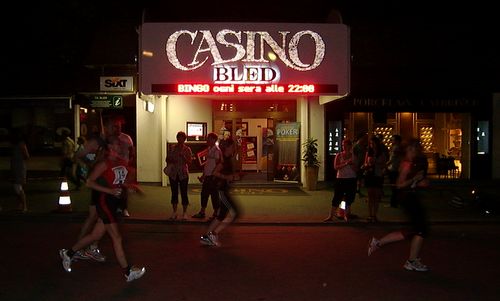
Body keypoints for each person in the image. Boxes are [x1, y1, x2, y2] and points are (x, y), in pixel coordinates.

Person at [59, 135, 146, 282]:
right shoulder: (103, 164)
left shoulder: (120, 162)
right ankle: (128, 271)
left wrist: (131, 187)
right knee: (117, 238)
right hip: (105, 203)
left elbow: (120, 182)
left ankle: (69, 253)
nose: (120, 146)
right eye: (117, 144)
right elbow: (89, 183)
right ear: (110, 148)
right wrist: (110, 191)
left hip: (113, 203)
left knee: (95, 235)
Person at [368, 138, 430, 272]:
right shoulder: (406, 164)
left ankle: (378, 243)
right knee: (420, 230)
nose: (413, 152)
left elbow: (414, 182)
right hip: (408, 198)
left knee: (411, 231)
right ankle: (411, 261)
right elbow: (399, 184)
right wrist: (414, 180)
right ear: (407, 150)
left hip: (411, 197)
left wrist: (420, 182)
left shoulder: (412, 163)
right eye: (411, 149)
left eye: (415, 149)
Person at [70, 134, 108, 262]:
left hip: (99, 184)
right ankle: (83, 248)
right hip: (98, 185)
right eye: (114, 126)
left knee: (95, 217)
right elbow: (78, 156)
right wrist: (91, 163)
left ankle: (81, 248)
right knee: (99, 218)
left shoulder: (102, 144)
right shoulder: (96, 143)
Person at [200, 137, 240, 246]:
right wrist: (227, 177)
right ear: (228, 147)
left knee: (221, 215)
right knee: (235, 213)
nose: (234, 148)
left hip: (224, 190)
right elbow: (215, 172)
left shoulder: (228, 158)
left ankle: (207, 236)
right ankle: (212, 234)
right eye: (233, 146)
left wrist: (232, 177)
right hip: (222, 191)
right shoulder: (224, 160)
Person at [103, 116, 136, 217]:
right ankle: (115, 207)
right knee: (112, 187)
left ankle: (124, 208)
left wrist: (130, 162)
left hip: (124, 166)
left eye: (119, 126)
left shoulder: (126, 138)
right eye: (115, 127)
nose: (118, 128)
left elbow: (132, 151)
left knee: (124, 188)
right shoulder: (109, 139)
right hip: (112, 167)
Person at [324, 139, 358, 222]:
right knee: (337, 197)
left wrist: (352, 164)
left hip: (351, 178)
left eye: (346, 145)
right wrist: (346, 163)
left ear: (350, 146)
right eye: (343, 145)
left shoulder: (354, 156)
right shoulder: (339, 155)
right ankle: (331, 215)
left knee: (349, 198)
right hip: (341, 178)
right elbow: (336, 167)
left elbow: (356, 169)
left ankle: (345, 214)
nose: (344, 147)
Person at [192, 132, 221, 220]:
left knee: (214, 195)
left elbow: (217, 164)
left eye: (209, 138)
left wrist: (215, 176)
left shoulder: (216, 150)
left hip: (213, 176)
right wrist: (203, 176)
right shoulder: (209, 149)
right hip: (208, 176)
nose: (207, 140)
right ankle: (202, 211)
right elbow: (207, 164)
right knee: (204, 194)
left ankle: (216, 213)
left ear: (213, 140)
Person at [165, 131, 193, 221]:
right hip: (173, 173)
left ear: (184, 139)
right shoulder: (172, 148)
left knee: (184, 193)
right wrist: (170, 159)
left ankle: (185, 213)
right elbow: (167, 159)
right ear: (177, 138)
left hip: (183, 173)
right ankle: (174, 212)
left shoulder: (187, 149)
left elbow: (190, 162)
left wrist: (183, 157)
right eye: (178, 137)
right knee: (174, 193)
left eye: (182, 138)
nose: (180, 139)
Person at [362, 135, 387, 222]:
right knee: (370, 195)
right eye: (371, 143)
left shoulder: (381, 153)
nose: (372, 145)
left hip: (378, 175)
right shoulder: (368, 152)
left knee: (376, 196)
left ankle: (374, 215)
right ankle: (370, 215)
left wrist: (377, 163)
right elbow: (365, 163)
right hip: (369, 174)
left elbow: (384, 164)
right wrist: (367, 165)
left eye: (373, 143)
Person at [10, 130, 30, 212]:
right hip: (16, 167)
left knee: (18, 187)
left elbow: (27, 156)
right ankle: (20, 205)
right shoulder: (16, 145)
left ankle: (24, 206)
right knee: (17, 187)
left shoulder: (21, 144)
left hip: (19, 167)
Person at [386, 134, 403, 208]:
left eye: (393, 139)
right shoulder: (399, 148)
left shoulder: (396, 148)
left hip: (394, 169)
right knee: (396, 187)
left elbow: (392, 160)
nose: (391, 141)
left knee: (394, 187)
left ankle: (393, 203)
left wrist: (384, 166)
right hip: (397, 169)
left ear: (397, 141)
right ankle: (396, 202)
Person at [352, 132, 368, 196]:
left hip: (362, 164)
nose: (365, 139)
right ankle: (356, 190)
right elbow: (354, 156)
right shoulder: (356, 146)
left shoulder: (363, 145)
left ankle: (358, 190)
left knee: (359, 177)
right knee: (357, 177)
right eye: (364, 138)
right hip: (357, 164)